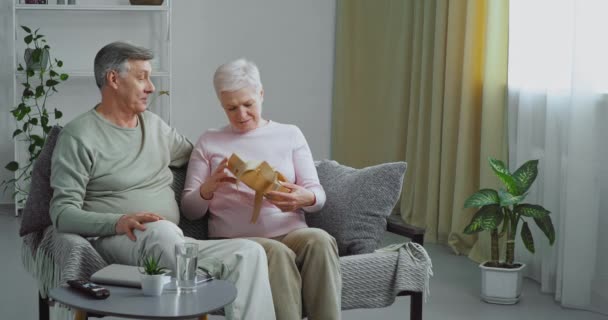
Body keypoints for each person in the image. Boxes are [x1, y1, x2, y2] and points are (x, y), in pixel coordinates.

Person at [49, 42, 276, 320]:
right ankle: (193, 294)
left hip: (173, 241)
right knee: (160, 232)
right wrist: (117, 221)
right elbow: (61, 213)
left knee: (249, 253)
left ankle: (194, 284)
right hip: (118, 238)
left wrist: (251, 166)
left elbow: (199, 156)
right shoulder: (78, 136)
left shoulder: (155, 126)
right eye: (142, 77)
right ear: (114, 79)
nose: (151, 87)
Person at [181, 58, 342, 320]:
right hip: (237, 240)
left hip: (291, 231)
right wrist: (208, 188)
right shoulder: (209, 141)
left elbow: (317, 194)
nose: (241, 115)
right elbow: (190, 211)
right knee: (275, 252)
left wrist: (306, 198)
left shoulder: (290, 135)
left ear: (261, 94)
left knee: (320, 240)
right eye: (231, 108)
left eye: (248, 104)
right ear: (221, 105)